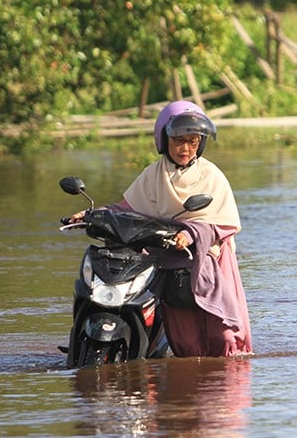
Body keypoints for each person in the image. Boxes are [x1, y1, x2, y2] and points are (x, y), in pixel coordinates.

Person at [69, 100, 252, 357]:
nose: (185, 148)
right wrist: (89, 215)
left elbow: (223, 223)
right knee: (186, 344)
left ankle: (226, 391)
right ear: (164, 139)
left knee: (224, 335)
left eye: (193, 141)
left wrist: (189, 234)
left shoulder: (211, 176)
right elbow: (125, 209)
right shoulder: (153, 175)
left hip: (208, 261)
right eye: (179, 141)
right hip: (166, 262)